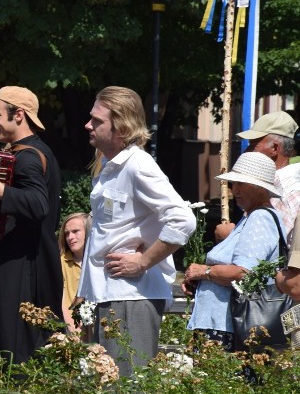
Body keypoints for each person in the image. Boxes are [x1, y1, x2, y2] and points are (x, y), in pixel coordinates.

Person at [78, 86, 196, 376]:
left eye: (97, 120)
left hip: (131, 296)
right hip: (111, 294)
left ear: (121, 127)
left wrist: (144, 261)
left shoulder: (137, 165)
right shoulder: (111, 165)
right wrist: (86, 290)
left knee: (128, 393)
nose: (87, 125)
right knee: (109, 391)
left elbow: (183, 219)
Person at [0, 86, 62, 371]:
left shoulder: (29, 156)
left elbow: (37, 204)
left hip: (23, 269)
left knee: (13, 352)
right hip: (26, 264)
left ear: (18, 115)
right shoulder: (40, 152)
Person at [183, 152, 284, 350]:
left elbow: (242, 272)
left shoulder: (260, 218)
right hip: (223, 322)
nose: (235, 189)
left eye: (241, 184)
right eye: (233, 183)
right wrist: (201, 281)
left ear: (260, 187)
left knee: (217, 378)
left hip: (229, 324)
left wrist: (203, 272)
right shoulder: (251, 217)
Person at [216, 111, 300, 242]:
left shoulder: (282, 190)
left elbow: (269, 246)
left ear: (275, 149)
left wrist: (229, 237)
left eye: (253, 145)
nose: (247, 151)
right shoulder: (286, 182)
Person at [59, 212, 91, 334]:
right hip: (69, 326)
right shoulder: (61, 262)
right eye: (67, 233)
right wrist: (71, 326)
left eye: (75, 231)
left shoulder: (98, 261)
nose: (70, 237)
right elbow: (61, 299)